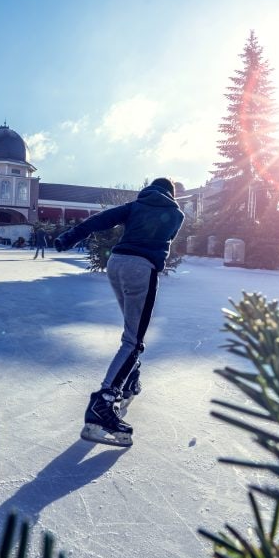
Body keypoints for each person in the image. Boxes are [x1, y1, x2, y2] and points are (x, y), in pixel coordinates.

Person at [54, 177, 184, 446]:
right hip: (141, 268)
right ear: (171, 194)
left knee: (131, 330)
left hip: (116, 264)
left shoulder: (135, 205)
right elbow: (167, 237)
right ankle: (103, 403)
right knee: (134, 340)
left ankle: (129, 378)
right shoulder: (176, 213)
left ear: (149, 191)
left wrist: (69, 237)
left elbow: (100, 220)